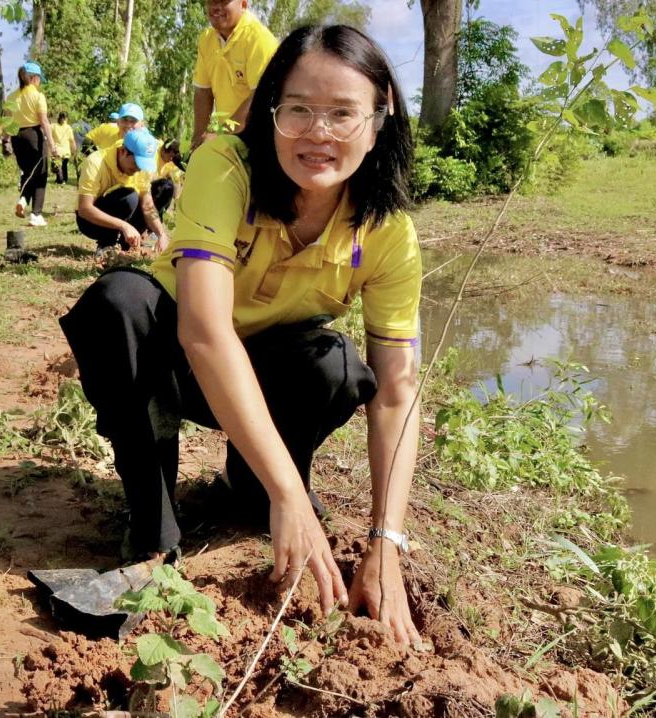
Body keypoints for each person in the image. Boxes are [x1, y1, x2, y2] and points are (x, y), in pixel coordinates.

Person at [59, 25, 423, 646]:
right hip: (173, 361)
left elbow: (395, 392)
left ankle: (253, 488)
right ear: (271, 110)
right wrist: (295, 495)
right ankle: (155, 530)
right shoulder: (224, 166)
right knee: (116, 304)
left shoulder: (388, 233)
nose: (318, 133)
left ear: (379, 119)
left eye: (343, 113)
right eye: (299, 110)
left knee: (336, 366)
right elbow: (203, 332)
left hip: (266, 374)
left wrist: (385, 542)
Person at [191, 0, 277, 151]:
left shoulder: (258, 39)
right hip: (229, 140)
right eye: (211, 2)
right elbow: (202, 90)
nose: (216, 7)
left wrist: (220, 135)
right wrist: (199, 137)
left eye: (224, 2)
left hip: (261, 139)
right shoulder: (207, 39)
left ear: (243, 5)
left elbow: (261, 97)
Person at [75, 127, 170, 263]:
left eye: (142, 165)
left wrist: (161, 234)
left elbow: (148, 206)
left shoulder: (140, 170)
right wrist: (123, 226)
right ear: (123, 151)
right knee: (129, 197)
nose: (138, 169)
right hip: (89, 222)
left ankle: (128, 246)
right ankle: (107, 244)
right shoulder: (95, 162)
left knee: (160, 189)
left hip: (121, 218)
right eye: (136, 162)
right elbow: (84, 209)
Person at [5, 61, 55, 228]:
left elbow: (7, 121)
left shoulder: (11, 97)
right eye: (39, 78)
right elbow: (44, 122)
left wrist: (6, 138)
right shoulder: (37, 96)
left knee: (28, 173)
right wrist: (53, 144)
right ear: (34, 78)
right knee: (40, 175)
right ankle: (36, 214)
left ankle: (23, 199)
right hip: (34, 135)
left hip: (17, 138)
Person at [150, 140, 184, 220]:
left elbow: (176, 181)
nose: (171, 159)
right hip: (145, 187)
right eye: (170, 156)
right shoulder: (153, 154)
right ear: (163, 150)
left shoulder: (171, 161)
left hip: (154, 189)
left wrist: (176, 202)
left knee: (169, 186)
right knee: (165, 185)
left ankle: (158, 219)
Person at [51, 111, 76, 184]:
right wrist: (74, 149)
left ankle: (60, 180)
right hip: (65, 151)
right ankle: (63, 179)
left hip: (57, 150)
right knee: (63, 166)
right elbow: (72, 140)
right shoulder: (68, 128)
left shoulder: (53, 126)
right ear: (66, 118)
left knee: (58, 166)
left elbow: (48, 135)